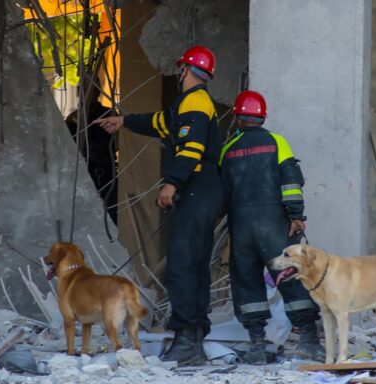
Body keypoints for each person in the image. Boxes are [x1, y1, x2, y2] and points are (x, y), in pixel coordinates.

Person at [94, 46, 224, 366]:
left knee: (183, 266)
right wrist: (124, 121)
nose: (177, 73)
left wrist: (172, 182)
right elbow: (160, 122)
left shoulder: (195, 102)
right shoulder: (191, 103)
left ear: (186, 71)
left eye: (180, 69)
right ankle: (193, 338)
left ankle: (186, 340)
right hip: (202, 194)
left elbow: (191, 147)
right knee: (193, 266)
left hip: (195, 192)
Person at [219, 90, 325, 364]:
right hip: (274, 224)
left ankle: (256, 345)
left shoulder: (227, 149)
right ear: (262, 117)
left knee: (246, 281)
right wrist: (296, 215)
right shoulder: (277, 142)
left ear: (238, 117)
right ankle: (309, 341)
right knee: (291, 277)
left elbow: (223, 189)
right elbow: (291, 180)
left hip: (241, 226)